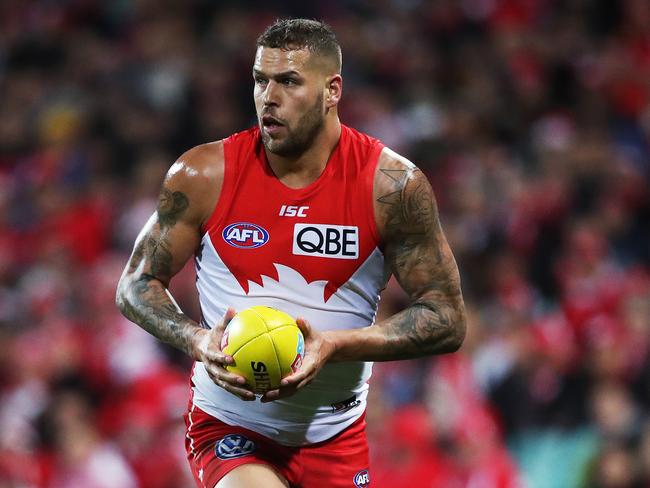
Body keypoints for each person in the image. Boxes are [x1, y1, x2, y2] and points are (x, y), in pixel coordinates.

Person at [116, 18, 466, 488]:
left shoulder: (391, 186)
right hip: (231, 429)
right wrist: (195, 340)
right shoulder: (203, 174)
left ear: (332, 90)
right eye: (261, 80)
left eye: (288, 81)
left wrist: (337, 346)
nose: (268, 97)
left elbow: (446, 318)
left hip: (335, 437)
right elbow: (135, 284)